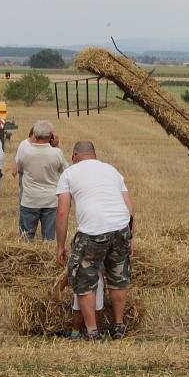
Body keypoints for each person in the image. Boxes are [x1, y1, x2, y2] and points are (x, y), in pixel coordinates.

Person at [56, 141, 135, 341]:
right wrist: (129, 238)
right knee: (118, 279)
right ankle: (118, 326)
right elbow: (130, 208)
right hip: (121, 227)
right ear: (94, 155)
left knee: (85, 281)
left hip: (92, 232)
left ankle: (92, 332)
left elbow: (63, 211)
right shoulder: (111, 170)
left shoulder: (69, 173)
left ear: (74, 156)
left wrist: (60, 245)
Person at [17, 120, 70, 242]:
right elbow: (66, 171)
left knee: (26, 238)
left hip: (30, 199)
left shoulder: (25, 151)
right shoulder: (57, 153)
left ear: (34, 135)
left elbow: (20, 169)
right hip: (50, 200)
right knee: (49, 238)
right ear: (51, 136)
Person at [59, 270, 104, 341]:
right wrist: (61, 287)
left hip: (94, 274)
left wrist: (61, 287)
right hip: (82, 275)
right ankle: (76, 333)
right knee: (79, 308)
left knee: (96, 308)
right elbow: (72, 268)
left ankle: (91, 332)